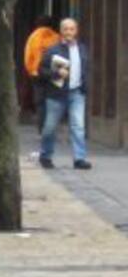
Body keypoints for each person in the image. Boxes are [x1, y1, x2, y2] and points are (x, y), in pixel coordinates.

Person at [38, 18, 91, 170]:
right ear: (61, 31)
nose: (69, 32)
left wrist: (85, 86)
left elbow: (86, 69)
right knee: (50, 127)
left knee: (78, 126)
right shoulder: (52, 50)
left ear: (76, 31)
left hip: (77, 93)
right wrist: (56, 73)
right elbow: (41, 71)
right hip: (56, 94)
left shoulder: (82, 49)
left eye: (72, 29)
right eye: (66, 29)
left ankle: (79, 158)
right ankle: (46, 156)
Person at [24, 15, 61, 132]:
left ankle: (42, 127)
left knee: (40, 102)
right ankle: (52, 126)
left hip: (36, 73)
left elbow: (28, 56)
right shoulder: (56, 37)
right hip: (53, 73)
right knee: (53, 100)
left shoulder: (33, 37)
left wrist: (30, 70)